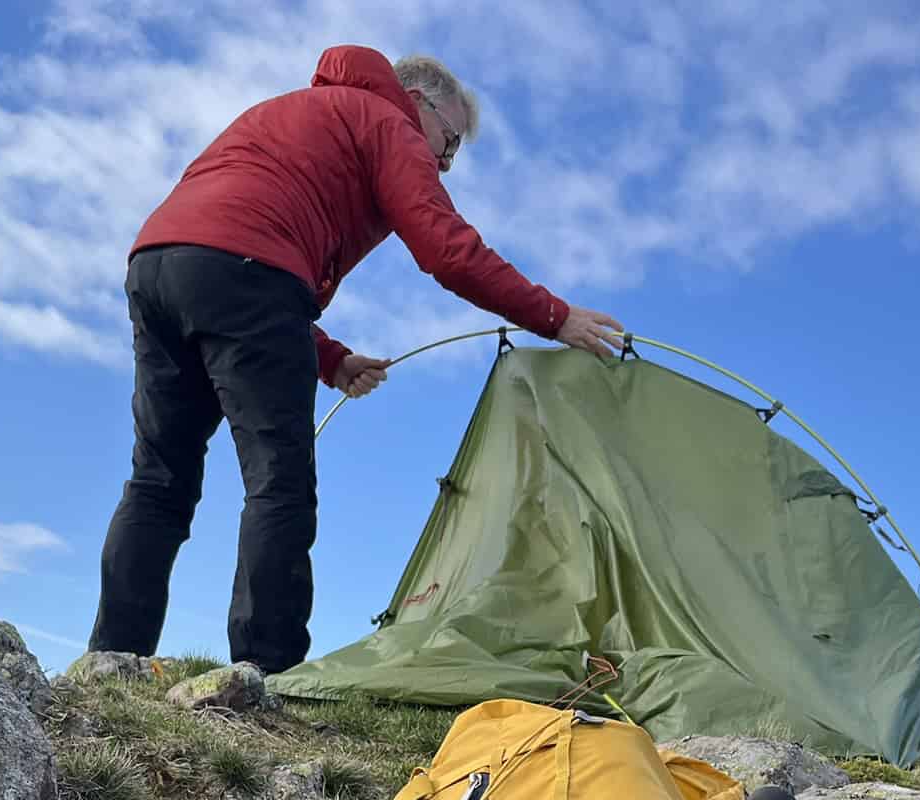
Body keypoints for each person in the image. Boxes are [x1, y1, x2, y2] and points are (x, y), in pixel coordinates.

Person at [87, 46, 622, 673]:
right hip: (248, 273)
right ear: (416, 102)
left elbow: (226, 256)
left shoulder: (295, 111)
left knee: (159, 479)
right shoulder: (388, 122)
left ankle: (112, 660)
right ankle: (268, 671)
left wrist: (331, 360)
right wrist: (555, 316)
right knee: (279, 482)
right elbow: (446, 250)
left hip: (157, 264)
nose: (444, 164)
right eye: (449, 142)